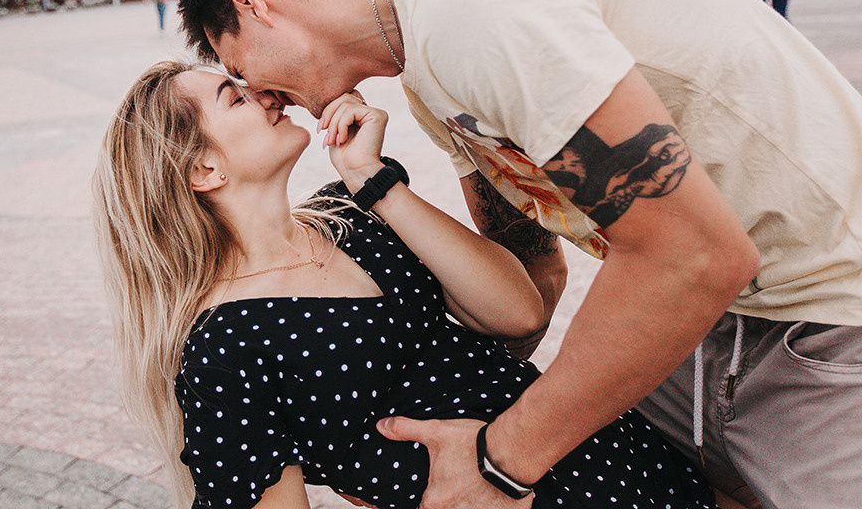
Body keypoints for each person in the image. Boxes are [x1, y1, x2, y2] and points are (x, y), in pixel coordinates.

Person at [176, 0, 862, 509]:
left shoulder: (472, 5)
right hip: (705, 320)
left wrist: (496, 465)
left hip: (829, 306)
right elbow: (538, 278)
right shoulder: (428, 73)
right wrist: (407, 454)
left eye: (238, 68)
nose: (262, 90)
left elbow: (696, 254)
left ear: (254, 3)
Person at [93, 61, 719, 509]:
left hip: (602, 452)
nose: (264, 93)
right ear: (203, 168)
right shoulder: (223, 346)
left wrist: (375, 181)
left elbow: (519, 311)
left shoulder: (353, 213)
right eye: (234, 97)